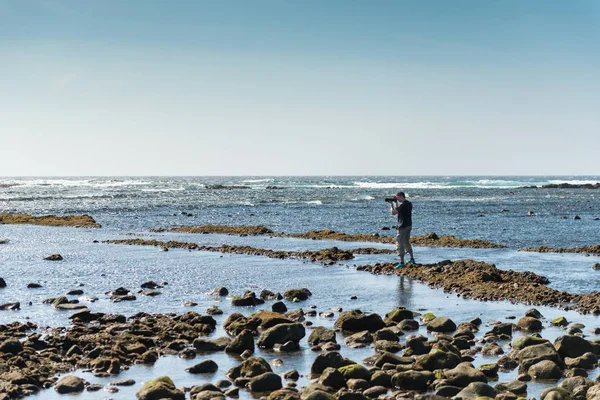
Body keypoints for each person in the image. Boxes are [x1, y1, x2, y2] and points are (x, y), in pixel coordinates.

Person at [390, 191, 415, 268]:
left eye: (397, 198)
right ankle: (412, 259)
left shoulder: (403, 205)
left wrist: (391, 204)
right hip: (409, 225)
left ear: (401, 196)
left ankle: (402, 262)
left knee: (399, 243)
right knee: (406, 242)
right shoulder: (408, 204)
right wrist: (396, 203)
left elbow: (393, 212)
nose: (397, 199)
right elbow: (399, 210)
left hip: (403, 227)